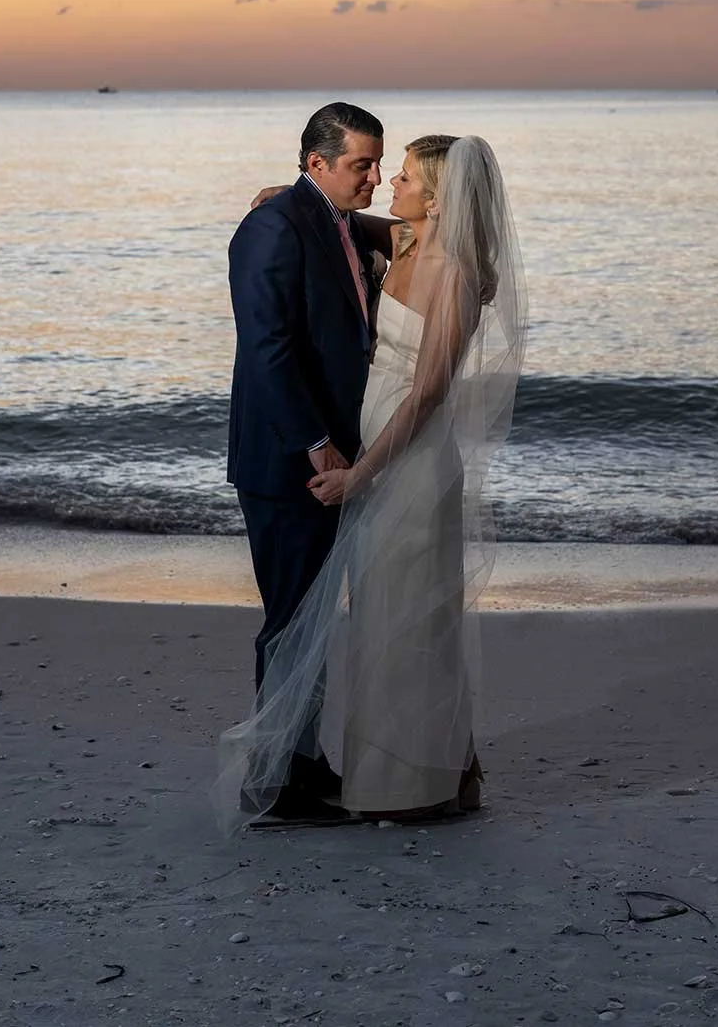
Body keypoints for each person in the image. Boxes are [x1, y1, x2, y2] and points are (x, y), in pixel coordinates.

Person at [218, 133, 526, 828]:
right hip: (376, 450)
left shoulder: (455, 275)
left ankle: (413, 786)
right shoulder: (408, 244)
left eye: (408, 177)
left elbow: (424, 395)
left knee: (412, 620)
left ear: (441, 199)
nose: (391, 183)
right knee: (388, 618)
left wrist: (359, 476)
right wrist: (293, 202)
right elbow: (346, 215)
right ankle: (434, 769)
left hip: (407, 461)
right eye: (383, 170)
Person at [226, 101, 385, 822]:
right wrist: (318, 443)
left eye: (379, 164)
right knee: (291, 621)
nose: (376, 178)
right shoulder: (271, 228)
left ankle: (305, 761)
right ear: (317, 163)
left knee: (317, 620)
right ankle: (273, 786)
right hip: (288, 462)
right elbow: (268, 348)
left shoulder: (338, 222)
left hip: (334, 456)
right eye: (361, 164)